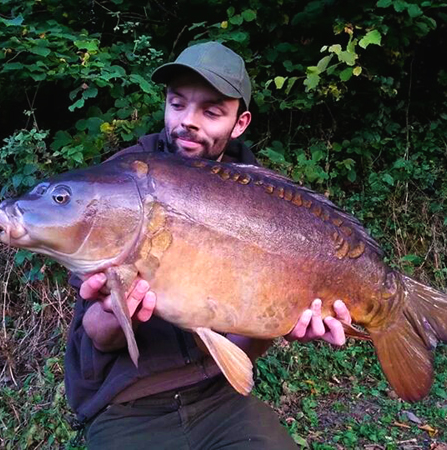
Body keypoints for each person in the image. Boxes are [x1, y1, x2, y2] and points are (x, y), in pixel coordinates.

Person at [65, 41, 352, 449]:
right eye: (177, 104)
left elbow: (243, 347)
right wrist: (117, 311)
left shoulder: (263, 197)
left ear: (240, 123)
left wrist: (283, 321)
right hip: (127, 402)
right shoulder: (121, 182)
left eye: (211, 112)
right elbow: (98, 334)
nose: (188, 121)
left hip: (219, 395)